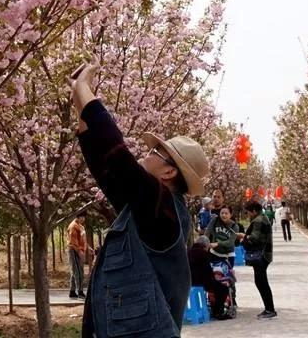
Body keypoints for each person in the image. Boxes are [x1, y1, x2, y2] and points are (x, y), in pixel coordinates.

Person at [69, 57, 210, 337]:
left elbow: (118, 158)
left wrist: (86, 90)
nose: (145, 154)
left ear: (169, 171)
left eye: (155, 153)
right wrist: (79, 99)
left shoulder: (163, 210)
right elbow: (105, 165)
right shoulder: (147, 209)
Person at [239, 200, 276, 319]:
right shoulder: (262, 218)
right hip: (264, 255)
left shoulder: (258, 220)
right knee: (261, 281)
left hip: (261, 255)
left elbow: (255, 238)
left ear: (254, 211)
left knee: (261, 282)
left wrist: (243, 237)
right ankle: (269, 308)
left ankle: (270, 309)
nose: (248, 215)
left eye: (248, 212)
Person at [188, 236, 231, 320]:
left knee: (216, 287)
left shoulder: (188, 252)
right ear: (206, 246)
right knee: (223, 288)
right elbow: (207, 271)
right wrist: (214, 279)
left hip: (189, 281)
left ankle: (214, 311)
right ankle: (218, 312)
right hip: (200, 281)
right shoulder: (203, 253)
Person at [68, 212, 88, 298]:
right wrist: (79, 251)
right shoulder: (73, 226)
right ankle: (80, 291)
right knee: (78, 271)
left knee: (75, 271)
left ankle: (72, 291)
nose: (83, 219)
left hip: (79, 250)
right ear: (77, 217)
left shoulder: (81, 226)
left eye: (84, 217)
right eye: (81, 217)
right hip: (74, 250)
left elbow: (82, 239)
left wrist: (88, 248)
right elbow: (73, 241)